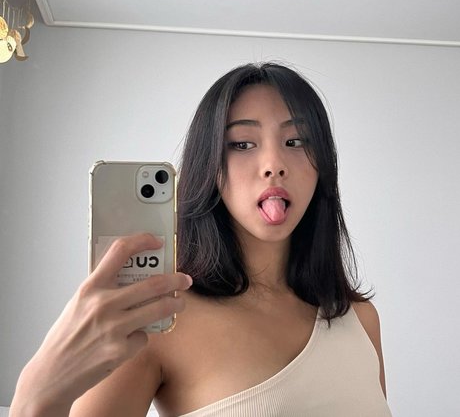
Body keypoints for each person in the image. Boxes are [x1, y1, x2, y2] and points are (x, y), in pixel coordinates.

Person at [11, 63, 391, 416]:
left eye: (296, 142)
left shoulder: (360, 320)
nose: (274, 164)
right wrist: (37, 392)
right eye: (242, 143)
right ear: (209, 166)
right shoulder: (159, 321)